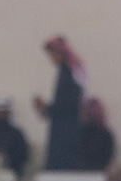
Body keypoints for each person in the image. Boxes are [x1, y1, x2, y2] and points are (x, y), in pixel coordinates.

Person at [33, 35, 86, 170]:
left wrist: (46, 108)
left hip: (66, 132)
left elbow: (67, 104)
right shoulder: (68, 72)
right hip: (64, 129)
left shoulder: (69, 73)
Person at [0, 97, 30, 181]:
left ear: (8, 113)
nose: (1, 114)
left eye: (4, 112)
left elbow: (23, 156)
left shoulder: (17, 134)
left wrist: (6, 159)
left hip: (9, 172)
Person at [78, 97, 116, 171]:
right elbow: (108, 157)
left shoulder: (78, 133)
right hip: (99, 172)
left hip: (80, 172)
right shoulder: (107, 134)